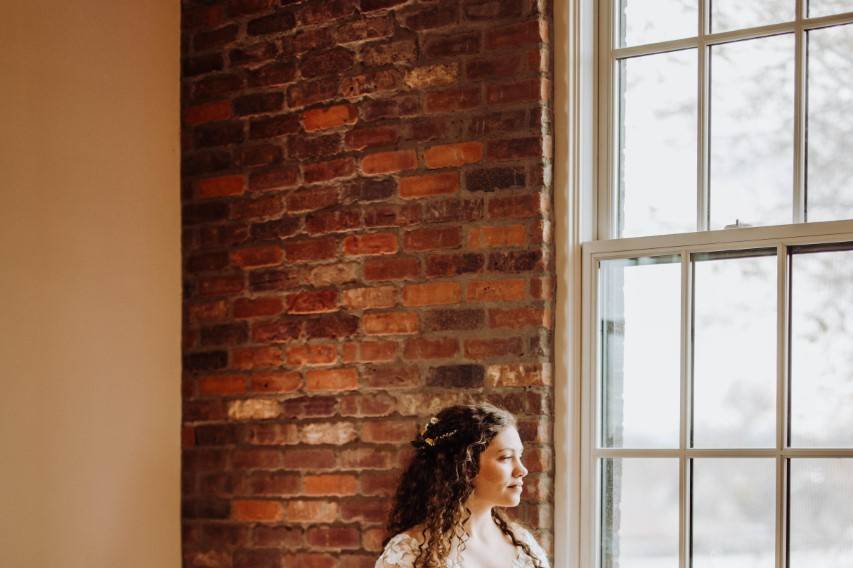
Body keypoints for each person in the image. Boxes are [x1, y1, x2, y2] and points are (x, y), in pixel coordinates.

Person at [375, 403, 549, 568]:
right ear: (464, 466)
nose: (522, 470)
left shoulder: (523, 543)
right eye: (505, 457)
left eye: (519, 456)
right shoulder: (408, 553)